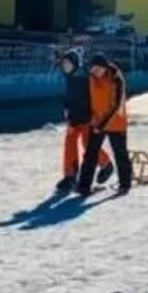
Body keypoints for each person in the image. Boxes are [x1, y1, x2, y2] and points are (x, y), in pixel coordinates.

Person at [79, 54, 133, 197]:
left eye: (98, 69)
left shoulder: (116, 78)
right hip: (97, 120)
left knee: (120, 153)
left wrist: (101, 125)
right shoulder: (91, 77)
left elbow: (116, 105)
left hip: (115, 121)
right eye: (93, 69)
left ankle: (125, 184)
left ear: (105, 67)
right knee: (91, 153)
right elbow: (87, 98)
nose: (95, 72)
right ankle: (84, 186)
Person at [57, 49, 111, 191]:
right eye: (64, 64)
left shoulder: (82, 78)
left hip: (86, 117)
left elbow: (85, 100)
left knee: (88, 144)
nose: (65, 66)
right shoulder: (69, 76)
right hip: (74, 117)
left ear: (75, 64)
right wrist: (67, 105)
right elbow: (71, 98)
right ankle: (70, 176)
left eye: (68, 64)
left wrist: (77, 114)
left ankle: (106, 164)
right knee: (70, 144)